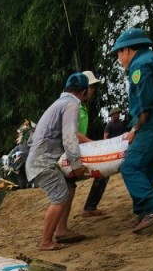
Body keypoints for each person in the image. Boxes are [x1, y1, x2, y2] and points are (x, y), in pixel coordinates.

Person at [110, 26, 153, 233]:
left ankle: (151, 210)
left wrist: (135, 129)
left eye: (118, 54)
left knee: (131, 166)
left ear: (127, 50)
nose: (119, 59)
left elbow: (145, 103)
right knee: (149, 166)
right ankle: (144, 212)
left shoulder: (140, 66)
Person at [23, 73, 90, 251]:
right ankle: (46, 241)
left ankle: (62, 230)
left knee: (69, 187)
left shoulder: (59, 103)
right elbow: (70, 137)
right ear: (83, 91)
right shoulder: (72, 104)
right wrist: (76, 166)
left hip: (41, 159)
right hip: (43, 162)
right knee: (59, 196)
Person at [81, 104, 127, 218]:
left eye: (118, 113)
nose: (118, 114)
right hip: (109, 151)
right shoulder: (110, 125)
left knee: (102, 177)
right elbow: (106, 137)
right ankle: (89, 207)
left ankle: (90, 207)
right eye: (116, 113)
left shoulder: (120, 124)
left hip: (117, 150)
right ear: (112, 115)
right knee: (101, 176)